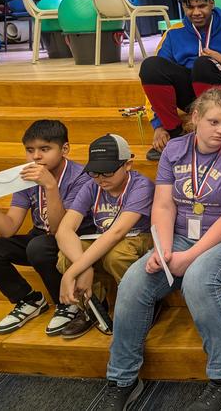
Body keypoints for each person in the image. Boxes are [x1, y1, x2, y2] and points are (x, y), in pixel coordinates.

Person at [99, 89, 221, 411]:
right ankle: (123, 380)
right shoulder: (174, 149)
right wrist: (164, 248)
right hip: (180, 237)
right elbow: (163, 204)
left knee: (199, 279)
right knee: (133, 281)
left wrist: (190, 256)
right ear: (196, 118)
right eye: (214, 122)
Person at [0, 120, 91, 336]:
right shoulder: (27, 176)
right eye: (30, 150)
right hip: (41, 236)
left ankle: (67, 303)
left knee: (38, 247)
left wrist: (50, 186)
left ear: (64, 149)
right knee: (0, 247)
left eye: (44, 149)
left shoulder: (81, 177)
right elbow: (9, 229)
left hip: (74, 239)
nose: (36, 156)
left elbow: (60, 230)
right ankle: (29, 299)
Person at [55, 134, 154, 339]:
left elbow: (118, 232)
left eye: (107, 172)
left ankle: (142, 302)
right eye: (94, 172)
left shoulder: (142, 186)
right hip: (103, 238)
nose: (100, 178)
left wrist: (73, 271)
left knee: (116, 254)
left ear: (128, 164)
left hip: (138, 238)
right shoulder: (92, 186)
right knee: (66, 255)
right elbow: (64, 230)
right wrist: (82, 267)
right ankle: (94, 307)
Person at [140, 0, 221, 161]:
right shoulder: (173, 33)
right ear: (183, 7)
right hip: (191, 94)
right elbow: (154, 82)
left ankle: (211, 132)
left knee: (203, 64)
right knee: (150, 66)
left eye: (202, 6)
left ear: (212, 3)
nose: (196, 12)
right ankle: (175, 135)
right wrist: (158, 125)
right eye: (190, 7)